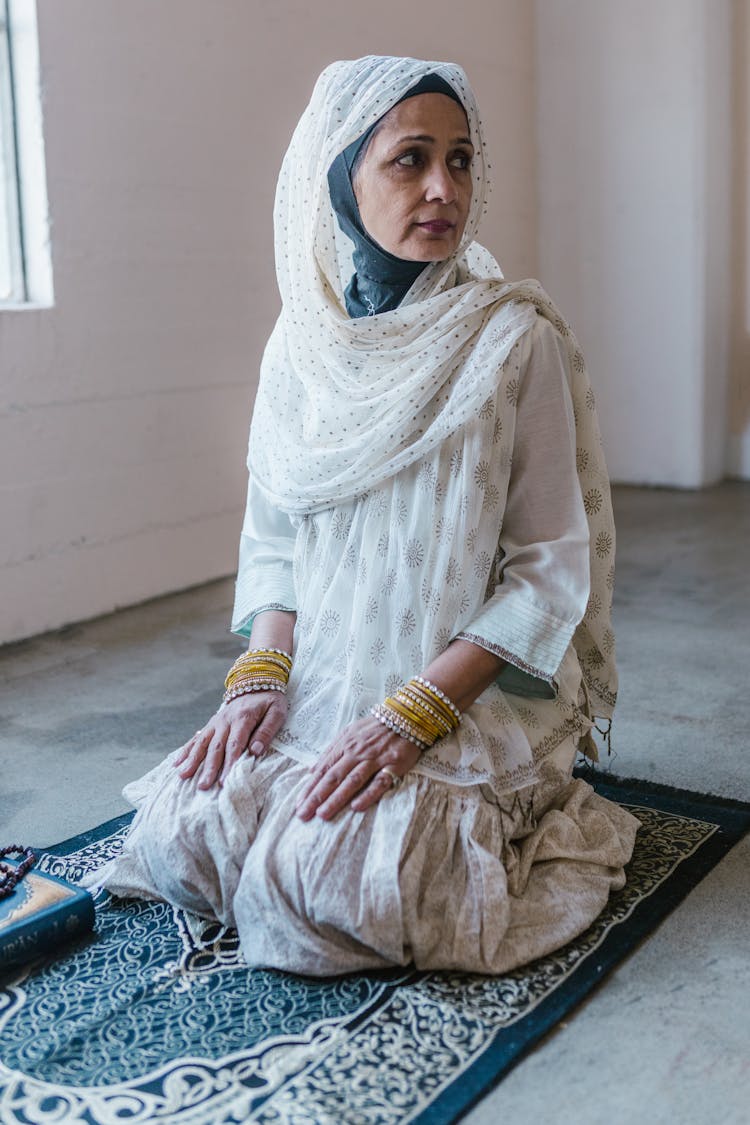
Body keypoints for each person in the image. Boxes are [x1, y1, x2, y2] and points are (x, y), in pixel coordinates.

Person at [90, 56, 638, 976]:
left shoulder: (514, 340)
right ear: (339, 174)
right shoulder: (302, 344)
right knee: (187, 834)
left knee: (321, 887)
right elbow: (277, 534)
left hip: (458, 688)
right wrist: (263, 676)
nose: (443, 188)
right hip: (324, 668)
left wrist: (410, 715)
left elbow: (547, 568)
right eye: (409, 159)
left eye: (461, 160)